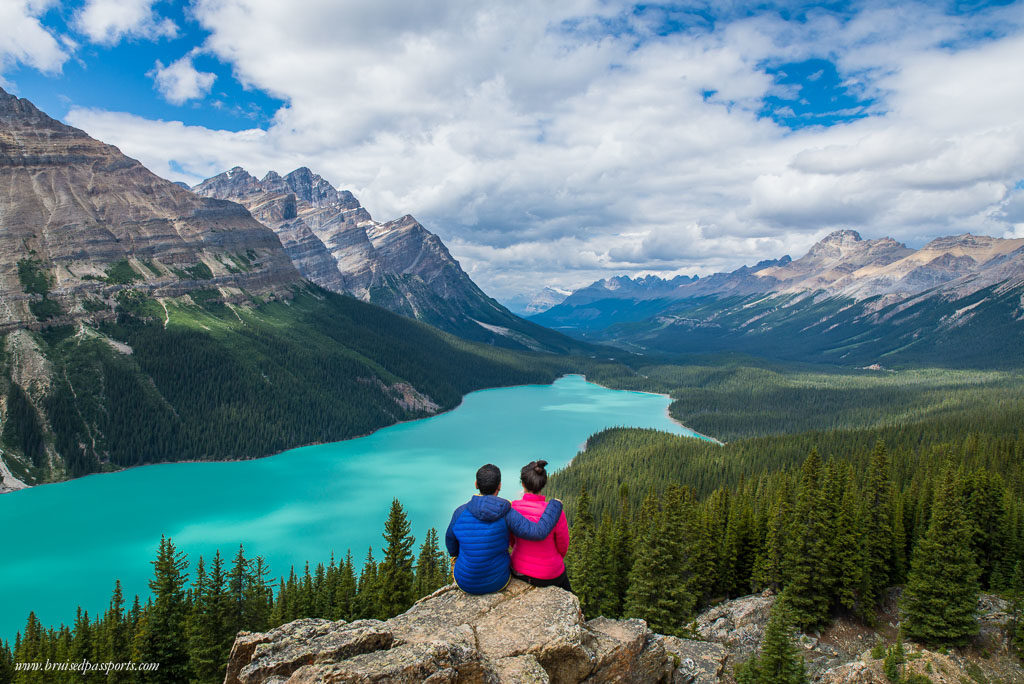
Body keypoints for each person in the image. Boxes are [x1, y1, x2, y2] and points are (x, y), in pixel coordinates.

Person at [445, 463, 563, 594]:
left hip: (465, 583)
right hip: (498, 581)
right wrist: (555, 505)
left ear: (476, 484)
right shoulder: (506, 512)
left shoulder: (459, 512)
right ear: (499, 485)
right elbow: (537, 532)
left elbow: (450, 542)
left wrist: (458, 556)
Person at [509, 460, 571, 591]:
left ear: (523, 484)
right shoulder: (555, 512)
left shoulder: (512, 508)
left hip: (519, 570)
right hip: (550, 573)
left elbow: (511, 541)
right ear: (543, 484)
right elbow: (563, 545)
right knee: (569, 591)